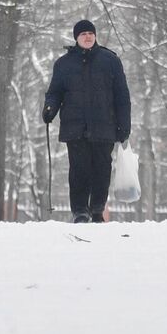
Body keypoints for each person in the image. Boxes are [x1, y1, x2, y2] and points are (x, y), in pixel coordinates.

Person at [42, 19, 131, 223]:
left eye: (91, 33)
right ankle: (80, 211)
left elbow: (122, 96)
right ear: (76, 38)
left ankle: (97, 209)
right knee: (79, 169)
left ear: (95, 36)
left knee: (102, 169)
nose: (88, 36)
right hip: (75, 126)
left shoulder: (111, 61)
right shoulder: (63, 64)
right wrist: (49, 109)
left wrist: (124, 125)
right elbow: (54, 93)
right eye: (83, 34)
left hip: (105, 126)